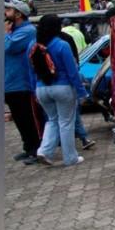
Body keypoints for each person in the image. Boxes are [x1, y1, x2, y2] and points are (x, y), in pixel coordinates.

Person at [29, 15, 88, 166]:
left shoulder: (32, 45)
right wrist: (82, 92)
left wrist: (34, 89)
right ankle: (70, 157)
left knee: (52, 120)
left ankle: (44, 151)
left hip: (41, 88)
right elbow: (72, 71)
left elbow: (31, 71)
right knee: (66, 123)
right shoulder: (62, 45)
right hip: (62, 87)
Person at [4, 1, 44, 165]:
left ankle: (36, 149)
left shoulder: (27, 31)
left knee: (28, 118)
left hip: (22, 83)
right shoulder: (14, 31)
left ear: (19, 14)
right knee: (19, 119)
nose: (6, 12)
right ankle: (28, 147)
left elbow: (8, 47)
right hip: (10, 83)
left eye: (9, 9)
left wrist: (5, 33)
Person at [57, 18, 96, 151]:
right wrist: (82, 92)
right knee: (71, 115)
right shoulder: (76, 34)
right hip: (76, 64)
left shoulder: (48, 41)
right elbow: (85, 47)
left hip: (52, 81)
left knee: (56, 119)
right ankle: (82, 140)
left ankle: (50, 148)